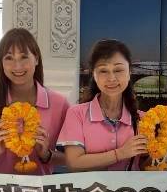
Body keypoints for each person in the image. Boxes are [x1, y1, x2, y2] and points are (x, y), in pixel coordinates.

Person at [0, 28, 69, 174]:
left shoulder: (60, 104)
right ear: (1, 63)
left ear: (36, 59)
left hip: (37, 187)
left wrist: (46, 154)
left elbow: (71, 158)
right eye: (9, 58)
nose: (17, 66)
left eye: (24, 57)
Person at [57, 39, 150, 171]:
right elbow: (74, 163)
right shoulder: (77, 114)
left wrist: (162, 151)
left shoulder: (143, 119)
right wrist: (120, 153)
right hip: (90, 185)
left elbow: (144, 167)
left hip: (131, 186)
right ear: (94, 75)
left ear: (129, 73)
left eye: (118, 70)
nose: (111, 78)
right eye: (103, 71)